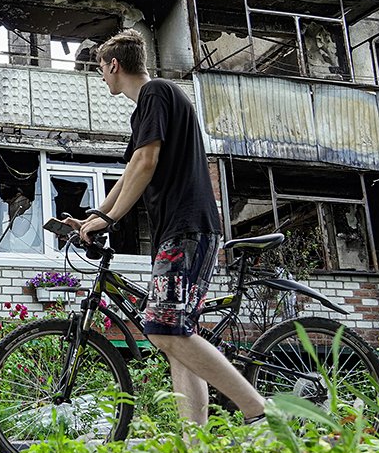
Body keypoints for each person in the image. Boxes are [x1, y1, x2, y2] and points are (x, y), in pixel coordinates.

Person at [67, 29, 266, 427]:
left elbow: (145, 164)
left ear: (113, 65)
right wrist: (95, 217)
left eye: (101, 71)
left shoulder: (156, 92)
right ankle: (195, 442)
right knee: (176, 340)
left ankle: (259, 411)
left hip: (187, 227)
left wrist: (110, 220)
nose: (102, 78)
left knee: (162, 329)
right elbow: (130, 174)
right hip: (180, 230)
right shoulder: (148, 106)